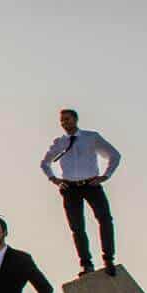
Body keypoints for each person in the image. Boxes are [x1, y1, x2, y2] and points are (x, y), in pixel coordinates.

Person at [40, 108, 121, 276]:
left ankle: (108, 259)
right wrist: (54, 179)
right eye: (62, 120)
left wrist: (105, 176)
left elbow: (114, 155)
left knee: (105, 219)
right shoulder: (60, 142)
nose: (64, 123)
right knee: (77, 227)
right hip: (70, 188)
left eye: (67, 119)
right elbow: (45, 163)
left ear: (75, 119)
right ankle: (86, 264)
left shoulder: (91, 137)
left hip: (91, 185)